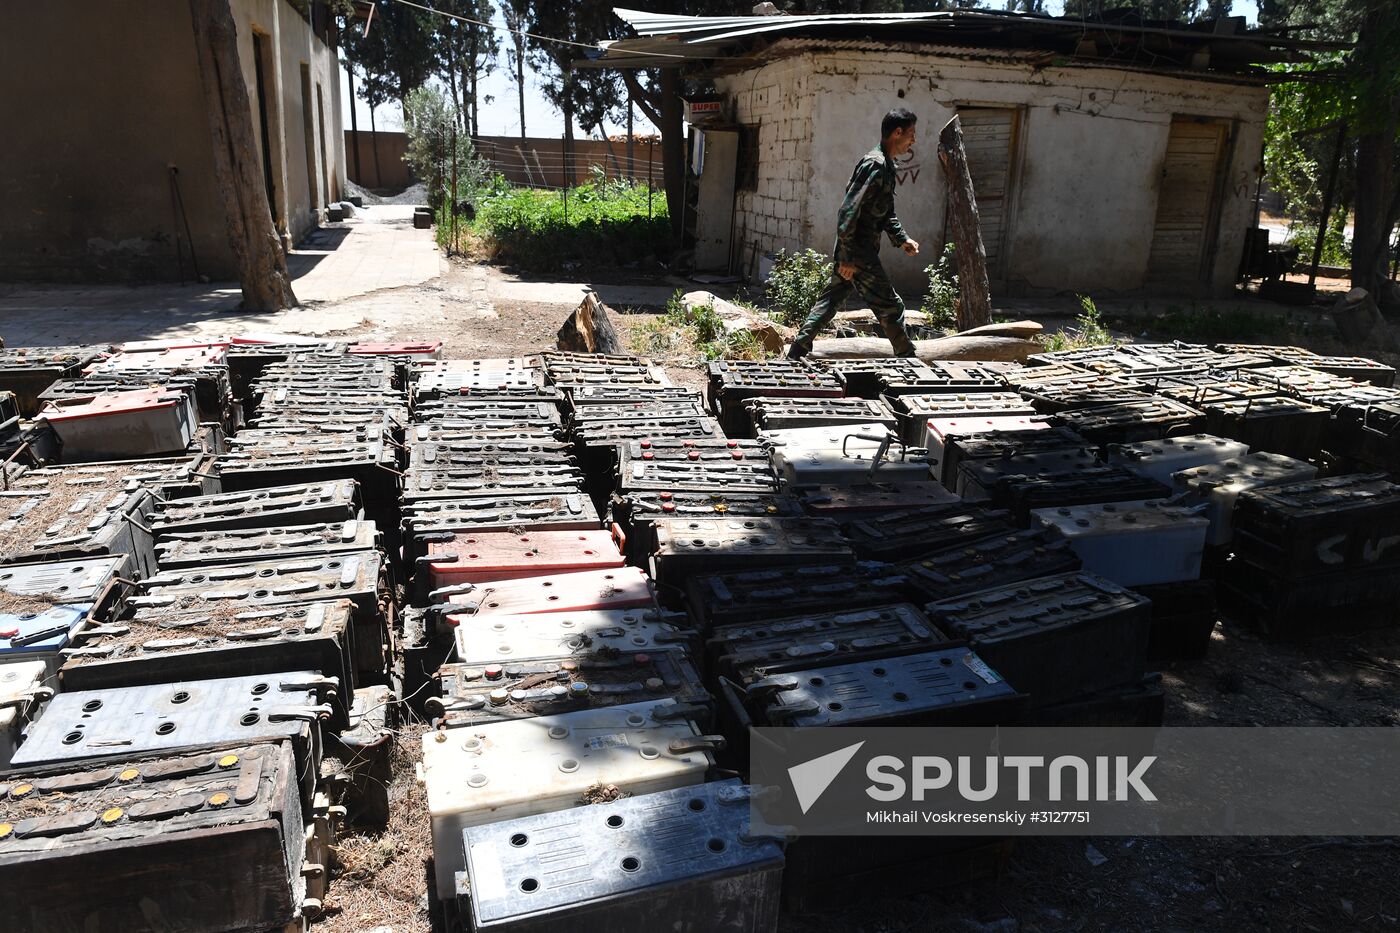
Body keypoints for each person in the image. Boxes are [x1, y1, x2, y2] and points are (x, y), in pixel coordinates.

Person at [787, 108, 921, 359]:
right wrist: (848, 257)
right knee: (891, 306)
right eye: (911, 134)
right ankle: (907, 358)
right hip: (858, 252)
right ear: (897, 132)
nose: (914, 140)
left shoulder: (887, 165)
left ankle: (798, 349)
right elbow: (849, 210)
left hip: (855, 249)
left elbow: (885, 213)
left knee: (832, 299)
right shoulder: (876, 164)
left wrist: (902, 239)